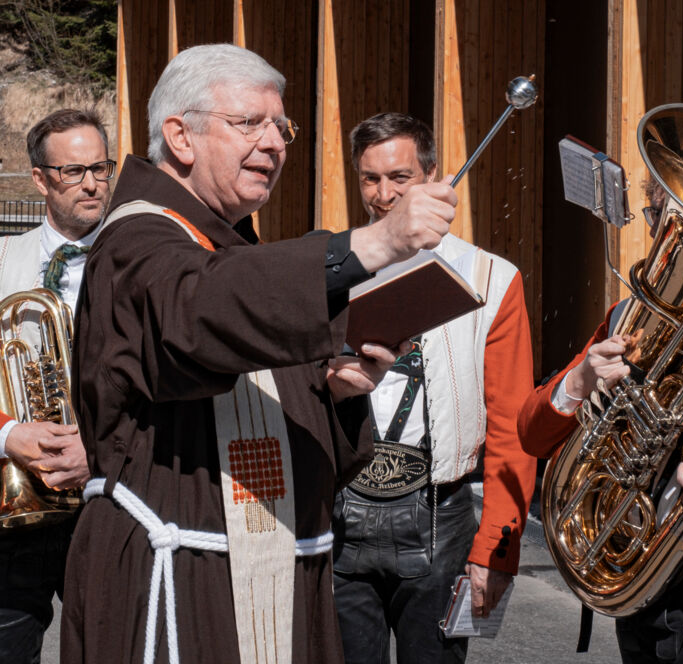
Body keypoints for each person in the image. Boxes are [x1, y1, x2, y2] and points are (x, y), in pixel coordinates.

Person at [60, 44, 460, 664]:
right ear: (180, 137)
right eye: (250, 123)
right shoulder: (137, 236)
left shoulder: (234, 250)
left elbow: (292, 419)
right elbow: (195, 316)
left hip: (273, 568)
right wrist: (372, 242)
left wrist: (339, 394)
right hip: (179, 575)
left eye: (282, 126)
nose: (275, 142)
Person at [331, 112, 536, 664]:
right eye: (370, 178)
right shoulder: (333, 269)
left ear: (432, 175)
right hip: (343, 513)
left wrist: (497, 547)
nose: (384, 194)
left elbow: (512, 423)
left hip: (441, 517)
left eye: (400, 177)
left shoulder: (493, 277)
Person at [518, 184, 683, 664]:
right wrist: (581, 379)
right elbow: (533, 434)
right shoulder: (625, 318)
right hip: (639, 578)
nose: (671, 238)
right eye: (663, 217)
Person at [0, 108, 113, 664]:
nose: (91, 183)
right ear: (40, 179)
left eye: (100, 167)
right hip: (13, 502)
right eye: (73, 171)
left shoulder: (137, 261)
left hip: (105, 501)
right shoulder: (2, 259)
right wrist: (8, 434)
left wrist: (102, 450)